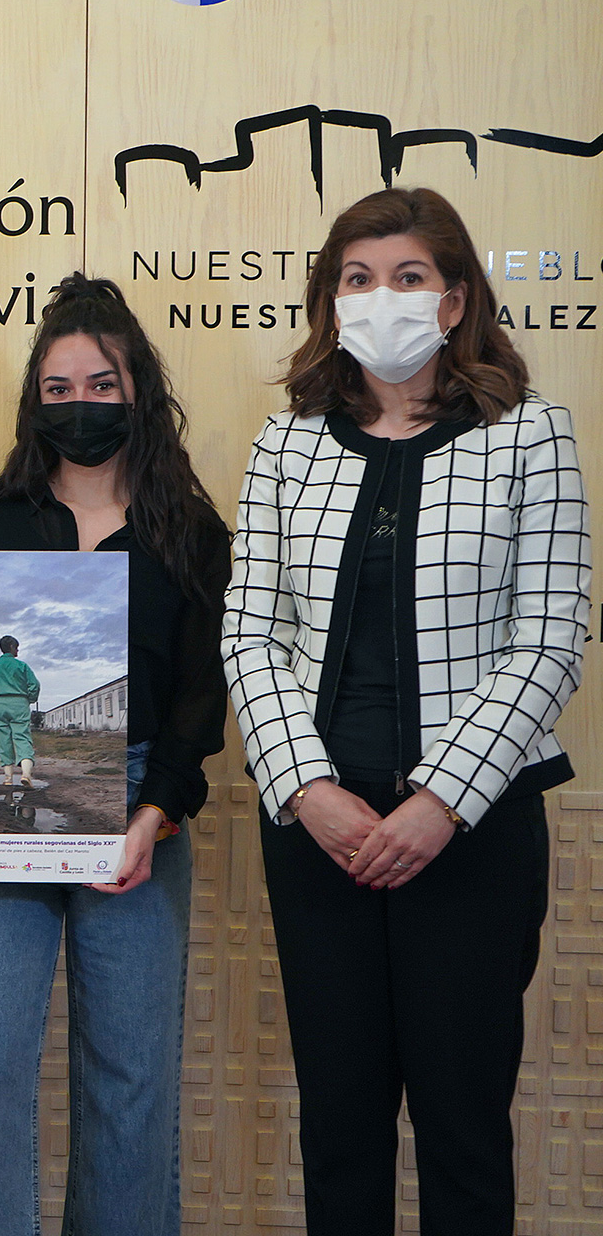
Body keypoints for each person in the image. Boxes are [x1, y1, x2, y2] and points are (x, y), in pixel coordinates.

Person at [222, 188, 590, 1235]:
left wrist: (440, 802)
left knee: (465, 1129)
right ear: (330, 302)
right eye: (358, 278)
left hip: (471, 836)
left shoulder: (530, 436)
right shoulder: (287, 444)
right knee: (340, 1128)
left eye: (408, 276)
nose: (382, 297)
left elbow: (551, 635)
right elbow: (249, 632)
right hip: (319, 836)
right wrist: (310, 788)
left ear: (456, 296)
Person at [0, 274, 231, 1236]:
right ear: (33, 402)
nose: (79, 405)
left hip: (139, 808)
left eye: (100, 384)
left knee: (130, 1071)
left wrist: (154, 814)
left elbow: (203, 700)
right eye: (58, 388)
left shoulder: (191, 535)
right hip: (9, 802)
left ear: (140, 393)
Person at [0, 635, 40, 786]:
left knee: (2, 739)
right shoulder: (22, 666)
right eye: (17, 647)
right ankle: (26, 774)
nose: (18, 650)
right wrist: (29, 699)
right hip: (18, 702)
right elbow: (34, 685)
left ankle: (8, 778)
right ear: (12, 647)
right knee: (22, 737)